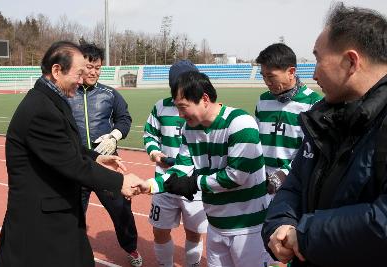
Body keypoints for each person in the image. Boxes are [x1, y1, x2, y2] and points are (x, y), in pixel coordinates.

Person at [0, 41, 141, 267]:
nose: (82, 80)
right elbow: (71, 162)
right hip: (41, 224)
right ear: (56, 70)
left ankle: (130, 246)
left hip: (55, 214)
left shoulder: (51, 100)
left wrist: (96, 157)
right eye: (79, 73)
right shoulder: (42, 109)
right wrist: (119, 181)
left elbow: (68, 145)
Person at [261, 3, 387, 267]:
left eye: (318, 59)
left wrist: (305, 234)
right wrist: (280, 224)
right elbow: (295, 183)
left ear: (351, 61)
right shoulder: (323, 117)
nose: (314, 73)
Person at [138, 71, 271, 267]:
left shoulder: (240, 123)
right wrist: (149, 185)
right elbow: (183, 166)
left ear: (205, 99)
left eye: (183, 108)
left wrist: (194, 183)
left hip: (246, 226)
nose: (181, 115)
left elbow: (236, 176)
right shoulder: (191, 129)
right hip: (216, 225)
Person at [67, 43, 142, 267]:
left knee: (121, 211)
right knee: (72, 214)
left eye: (98, 68)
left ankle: (132, 248)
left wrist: (114, 136)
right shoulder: (68, 94)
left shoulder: (110, 94)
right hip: (77, 166)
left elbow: (124, 119)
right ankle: (72, 251)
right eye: (89, 66)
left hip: (106, 166)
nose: (93, 72)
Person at [143, 60, 207, 267]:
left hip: (193, 183)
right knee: (159, 230)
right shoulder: (160, 107)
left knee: (194, 232)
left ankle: (192, 264)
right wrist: (155, 153)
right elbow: (149, 134)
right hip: (164, 179)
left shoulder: (202, 107)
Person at [254, 43, 322, 194]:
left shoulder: (313, 103)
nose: (267, 82)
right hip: (262, 183)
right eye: (263, 76)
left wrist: (282, 175)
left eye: (271, 76)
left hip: (294, 185)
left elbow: (312, 151)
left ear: (291, 72)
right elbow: (256, 141)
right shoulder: (263, 100)